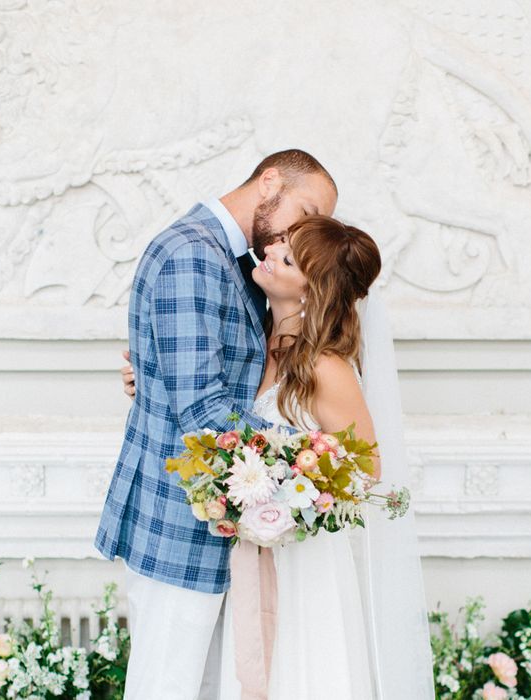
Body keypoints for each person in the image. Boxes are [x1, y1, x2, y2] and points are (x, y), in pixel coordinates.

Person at [119, 216, 436, 698]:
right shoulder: (254, 339)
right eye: (281, 243)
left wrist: (286, 491)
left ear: (312, 292)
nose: (268, 251)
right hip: (243, 551)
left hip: (301, 561)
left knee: (299, 673)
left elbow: (366, 468)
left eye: (286, 257)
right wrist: (152, 383)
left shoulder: (325, 367)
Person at [95, 149, 338, 700]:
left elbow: (213, 373)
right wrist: (307, 465)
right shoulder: (193, 256)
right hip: (178, 526)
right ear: (270, 180)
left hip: (222, 526)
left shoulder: (239, 260)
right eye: (305, 210)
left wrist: (151, 376)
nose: (302, 232)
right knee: (167, 687)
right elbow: (202, 412)